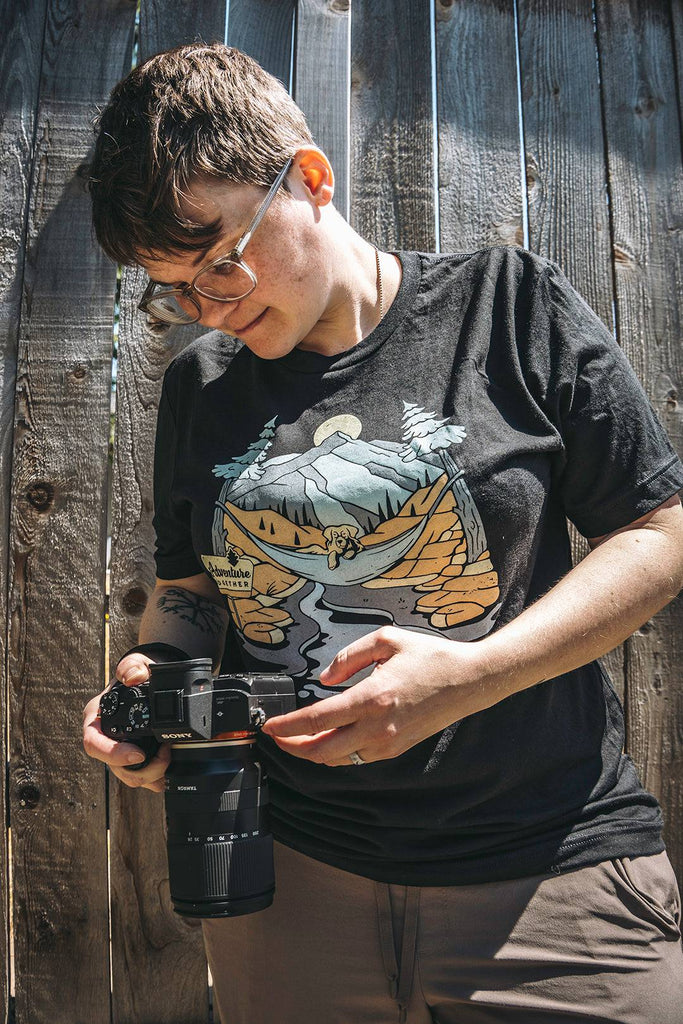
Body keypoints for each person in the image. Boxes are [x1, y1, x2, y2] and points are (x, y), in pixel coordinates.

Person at [82, 43, 683, 1024]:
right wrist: (156, 684)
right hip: (291, 889)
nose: (210, 309)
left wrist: (474, 673)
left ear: (309, 179)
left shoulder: (508, 305)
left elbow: (657, 531)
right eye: (175, 288)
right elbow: (191, 590)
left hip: (548, 874)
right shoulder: (201, 385)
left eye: (222, 261)